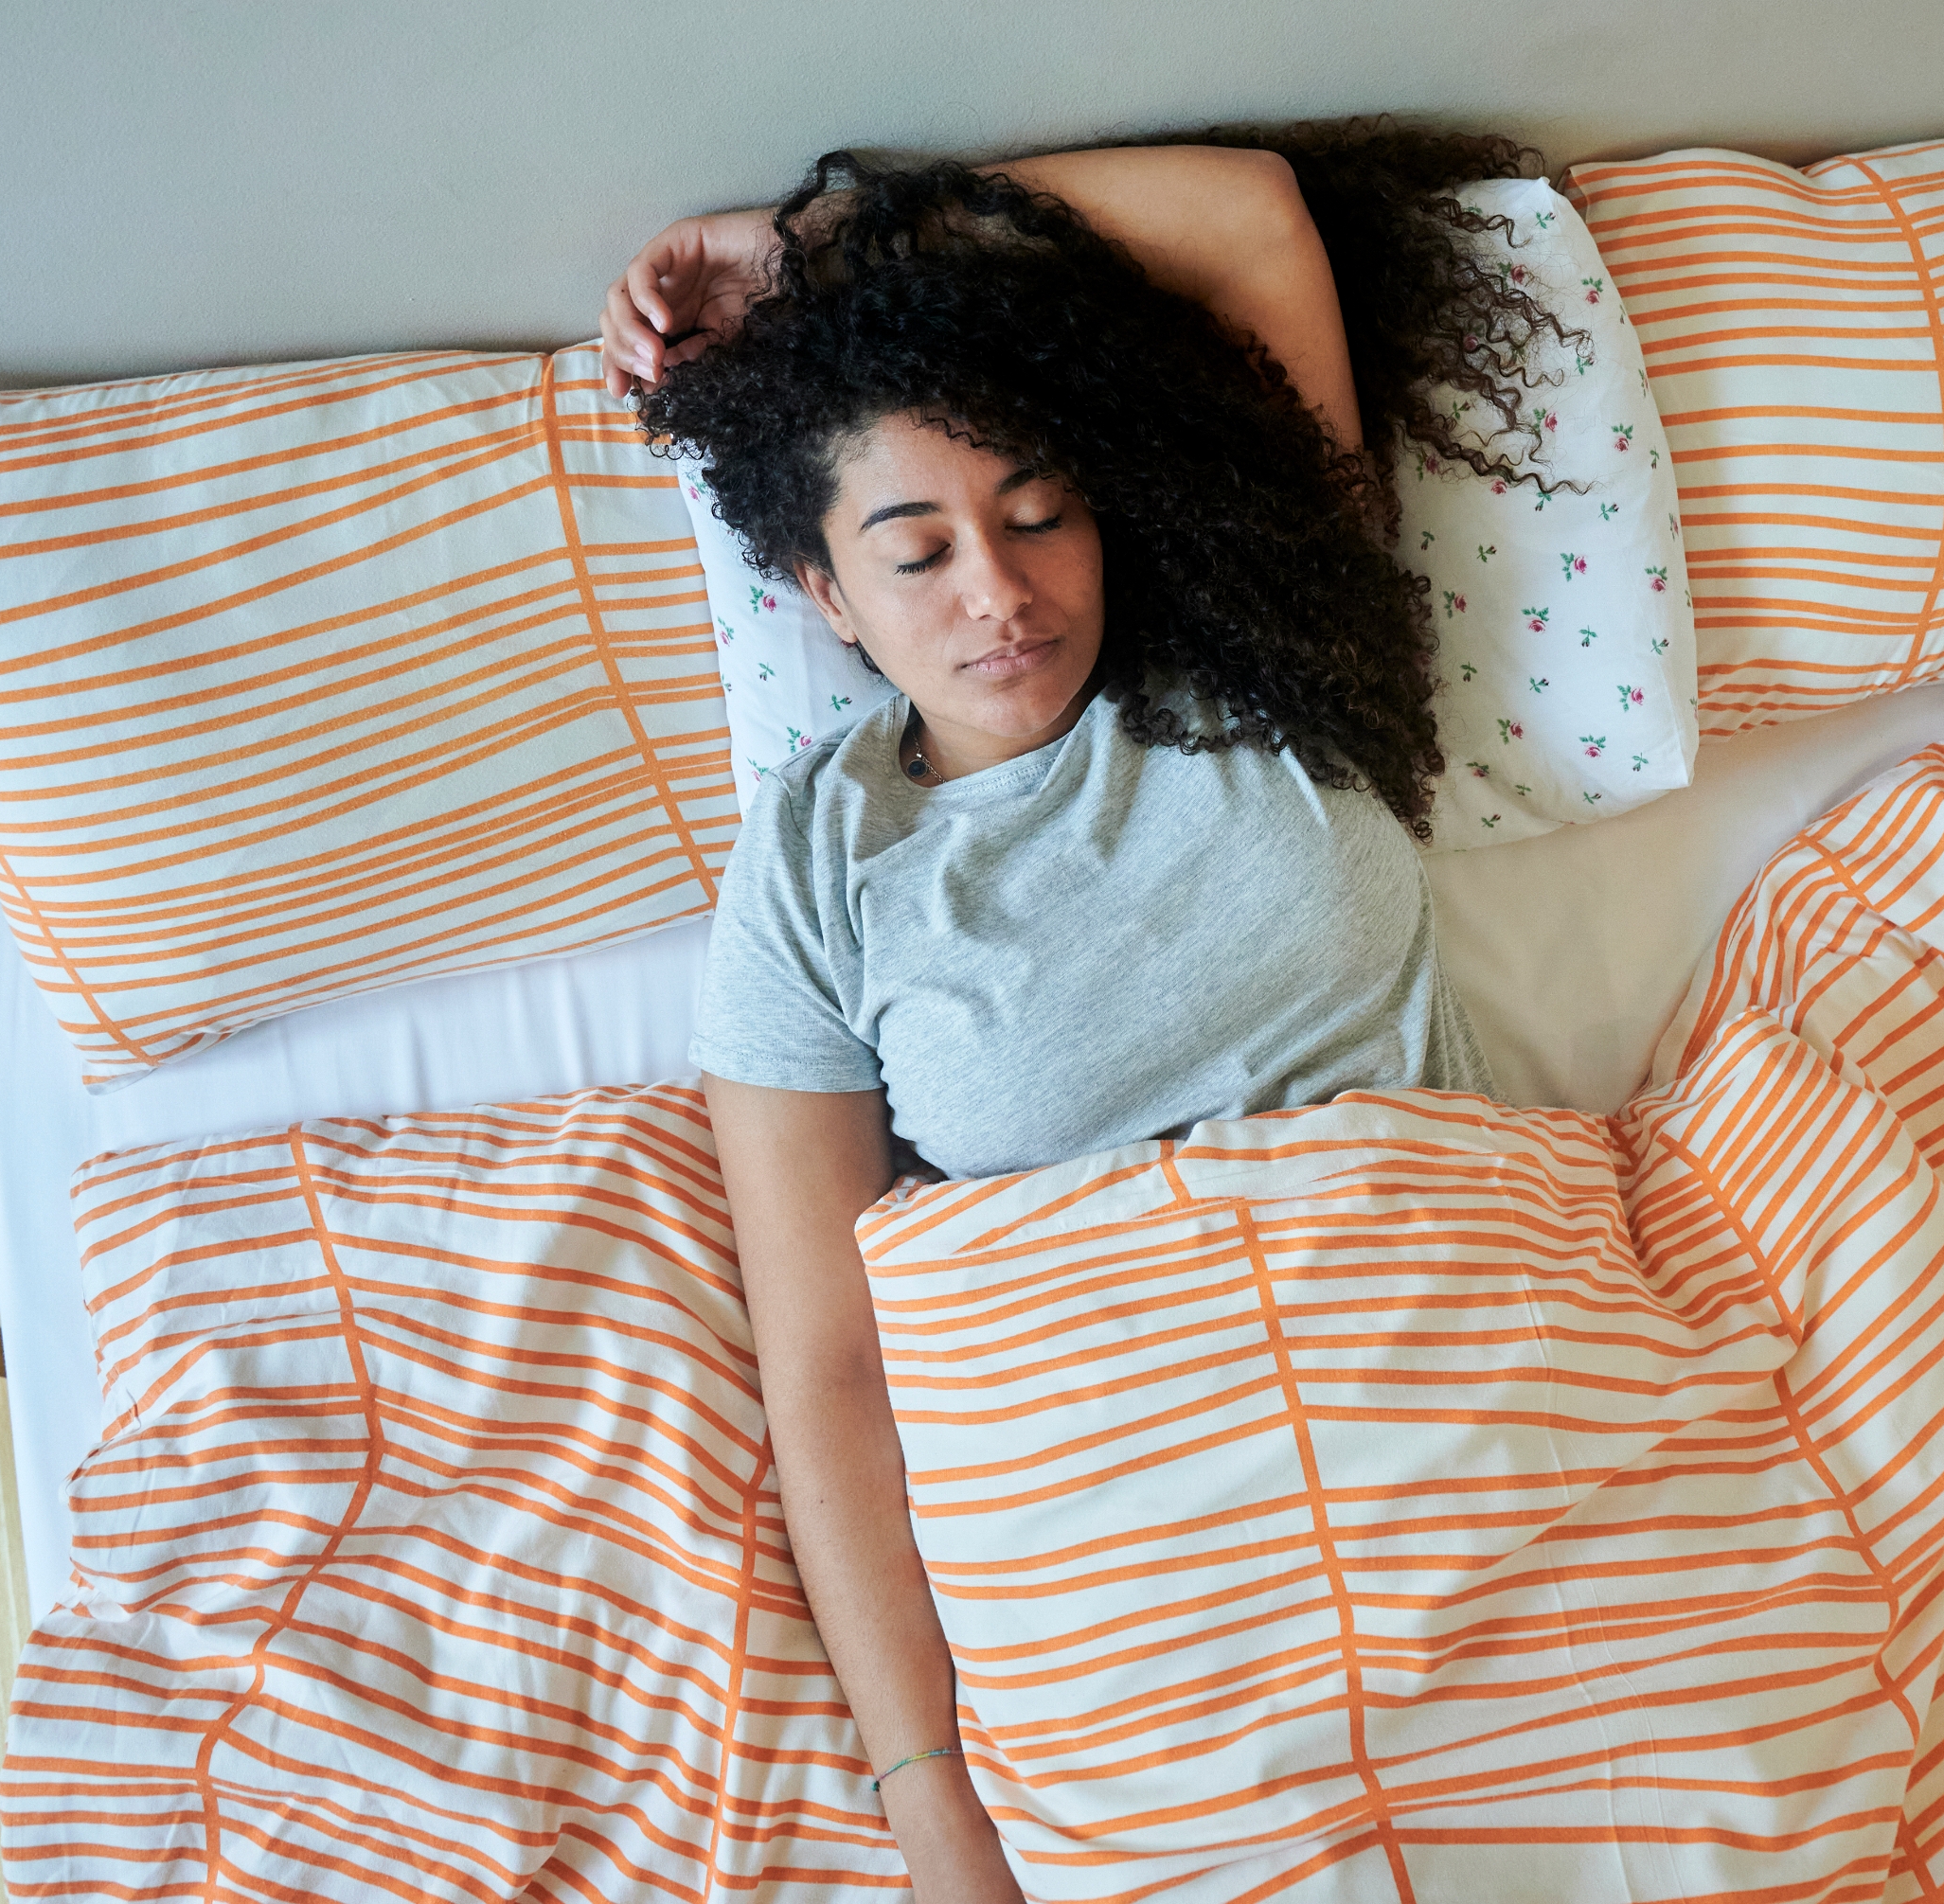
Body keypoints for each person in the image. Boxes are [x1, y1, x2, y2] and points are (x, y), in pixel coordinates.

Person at [604, 128, 1562, 1902]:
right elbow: (831, 1365)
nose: (999, 588)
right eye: (915, 550)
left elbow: (1248, 220)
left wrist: (809, 253)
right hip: (1140, 1501)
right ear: (820, 593)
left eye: (1038, 510)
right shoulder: (815, 873)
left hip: (1467, 1370)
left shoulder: (1276, 643)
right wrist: (930, 1798)